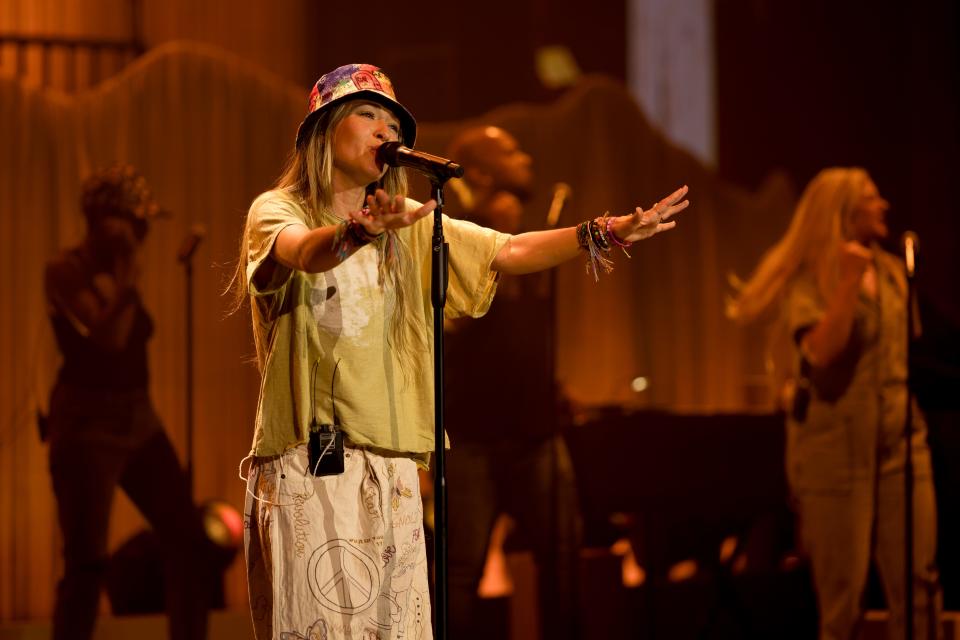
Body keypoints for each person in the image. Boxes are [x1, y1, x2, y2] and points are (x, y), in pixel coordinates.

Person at [234, 62, 688, 640]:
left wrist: (605, 232)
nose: (384, 130)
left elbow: (511, 250)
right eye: (367, 114)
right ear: (322, 133)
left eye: (392, 120)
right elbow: (300, 252)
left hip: (394, 464)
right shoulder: (278, 210)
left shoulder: (413, 230)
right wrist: (358, 232)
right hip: (313, 460)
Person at [727, 167, 942, 639]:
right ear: (844, 211)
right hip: (835, 453)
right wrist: (846, 282)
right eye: (872, 197)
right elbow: (822, 353)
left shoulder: (889, 272)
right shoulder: (810, 278)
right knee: (843, 594)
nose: (883, 204)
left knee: (920, 583)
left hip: (901, 446)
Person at [43, 165, 210, 640]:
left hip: (137, 418)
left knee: (187, 542)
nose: (140, 234)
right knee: (86, 565)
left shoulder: (117, 271)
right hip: (85, 426)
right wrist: (127, 274)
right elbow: (110, 339)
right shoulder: (65, 269)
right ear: (104, 220)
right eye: (134, 223)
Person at [442, 125, 582, 640]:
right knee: (460, 570)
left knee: (563, 559)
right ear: (478, 172)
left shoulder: (532, 235)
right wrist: (486, 226)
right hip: (470, 433)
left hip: (536, 429)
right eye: (509, 150)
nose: (524, 156)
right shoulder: (453, 229)